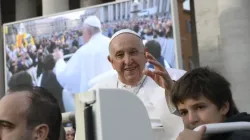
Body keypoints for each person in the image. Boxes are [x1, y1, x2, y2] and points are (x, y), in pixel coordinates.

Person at [89, 29, 184, 140]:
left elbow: (191, 120)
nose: (128, 61)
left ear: (145, 54)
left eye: (133, 52)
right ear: (111, 62)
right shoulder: (97, 92)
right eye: (120, 55)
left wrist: (171, 91)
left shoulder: (172, 79)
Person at [144, 55, 250, 140]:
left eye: (200, 107)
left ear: (224, 107)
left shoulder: (242, 135)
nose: (191, 119)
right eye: (184, 112)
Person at [53, 16, 113, 111]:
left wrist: (59, 60)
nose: (82, 36)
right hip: (115, 99)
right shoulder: (113, 43)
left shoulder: (83, 52)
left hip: (95, 108)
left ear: (88, 32)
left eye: (83, 33)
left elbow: (66, 78)